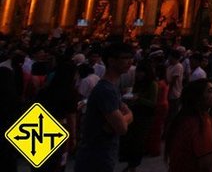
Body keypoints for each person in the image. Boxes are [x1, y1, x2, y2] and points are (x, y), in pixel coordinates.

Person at [75, 42, 134, 172]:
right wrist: (130, 115)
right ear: (111, 61)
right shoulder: (106, 90)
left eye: (131, 58)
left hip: (101, 155)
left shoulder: (112, 88)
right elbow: (122, 128)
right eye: (125, 58)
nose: (130, 62)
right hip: (96, 157)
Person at [165, 79, 212, 172]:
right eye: (210, 91)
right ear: (198, 98)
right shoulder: (201, 123)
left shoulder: (185, 119)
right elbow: (206, 164)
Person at [37, 61, 79, 172]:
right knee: (59, 163)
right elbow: (71, 117)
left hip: (41, 128)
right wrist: (73, 138)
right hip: (61, 127)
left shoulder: (45, 90)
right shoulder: (71, 93)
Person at [119, 59, 157, 172]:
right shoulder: (138, 83)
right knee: (131, 139)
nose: (139, 74)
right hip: (135, 114)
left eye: (141, 72)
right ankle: (131, 164)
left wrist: (139, 99)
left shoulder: (152, 84)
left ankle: (133, 165)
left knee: (138, 141)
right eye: (138, 72)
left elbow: (153, 103)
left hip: (145, 116)